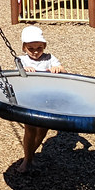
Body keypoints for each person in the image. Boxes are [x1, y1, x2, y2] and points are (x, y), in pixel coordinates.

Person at [16, 25, 64, 173]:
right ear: (24, 48)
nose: (36, 52)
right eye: (31, 48)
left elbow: (63, 70)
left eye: (39, 48)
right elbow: (15, 74)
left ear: (44, 46)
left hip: (47, 98)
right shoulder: (22, 60)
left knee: (43, 128)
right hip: (29, 98)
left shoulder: (49, 58)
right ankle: (27, 159)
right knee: (30, 129)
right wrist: (24, 70)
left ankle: (30, 155)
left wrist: (58, 69)